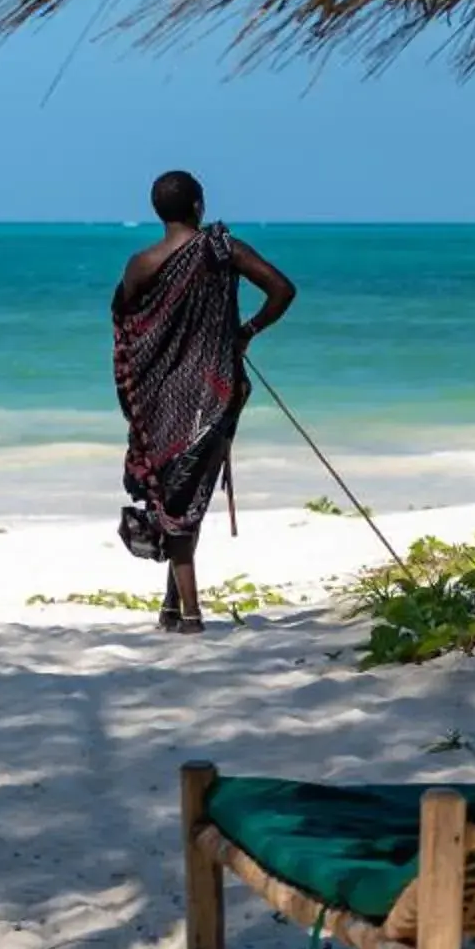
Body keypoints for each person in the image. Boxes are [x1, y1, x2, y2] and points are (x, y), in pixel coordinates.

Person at [113, 170, 295, 631]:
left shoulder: (140, 264)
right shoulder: (221, 249)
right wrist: (244, 334)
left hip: (157, 400)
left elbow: (126, 334)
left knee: (179, 495)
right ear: (198, 206)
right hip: (214, 394)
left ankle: (175, 608)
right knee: (186, 496)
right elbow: (281, 289)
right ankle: (189, 615)